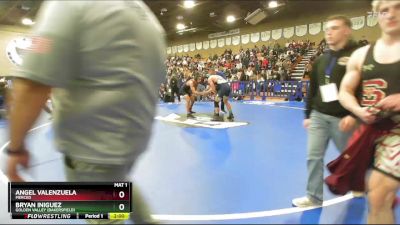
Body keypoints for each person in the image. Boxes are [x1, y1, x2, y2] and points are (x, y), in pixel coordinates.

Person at [5, 1, 166, 224]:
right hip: (132, 142)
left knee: (101, 209)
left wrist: (16, 148)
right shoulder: (148, 19)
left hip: (91, 147)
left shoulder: (68, 4)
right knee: (116, 181)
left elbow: (32, 81)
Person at [338, 1, 400, 223]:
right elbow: (345, 91)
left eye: (398, 7)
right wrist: (357, 111)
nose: (391, 14)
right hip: (373, 132)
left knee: (379, 192)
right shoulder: (362, 55)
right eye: (385, 10)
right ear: (376, 15)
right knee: (379, 197)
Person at [292, 15, 359, 207]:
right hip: (319, 116)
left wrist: (353, 114)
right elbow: (313, 89)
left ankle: (359, 183)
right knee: (313, 156)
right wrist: (307, 115)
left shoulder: (357, 55)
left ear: (347, 30)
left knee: (351, 157)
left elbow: (363, 88)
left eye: (335, 28)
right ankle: (313, 197)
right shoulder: (321, 60)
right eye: (327, 29)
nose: (329, 32)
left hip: (343, 118)